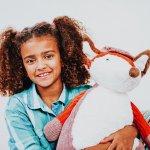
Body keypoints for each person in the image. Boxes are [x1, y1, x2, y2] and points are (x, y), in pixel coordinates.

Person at [0, 16, 148, 150]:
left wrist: (130, 131)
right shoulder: (17, 106)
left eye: (48, 56)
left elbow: (125, 115)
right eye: (31, 61)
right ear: (22, 66)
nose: (40, 66)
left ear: (62, 58)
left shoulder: (85, 94)